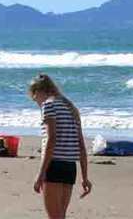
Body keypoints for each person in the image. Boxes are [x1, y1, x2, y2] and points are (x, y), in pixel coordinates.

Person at [28, 74, 92, 219]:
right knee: (60, 216)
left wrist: (40, 174)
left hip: (54, 165)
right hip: (70, 167)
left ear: (38, 91)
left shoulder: (49, 105)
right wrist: (84, 176)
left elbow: (51, 140)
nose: (34, 100)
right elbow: (81, 145)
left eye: (33, 96)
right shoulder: (72, 109)